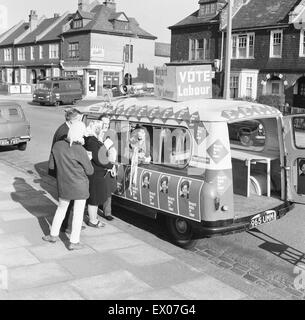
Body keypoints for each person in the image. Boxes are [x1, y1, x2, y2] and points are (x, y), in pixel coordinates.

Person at [43, 122, 94, 250]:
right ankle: (74, 242)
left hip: (64, 184)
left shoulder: (57, 145)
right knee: (78, 214)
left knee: (61, 209)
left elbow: (51, 166)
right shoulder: (80, 150)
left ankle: (53, 235)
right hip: (80, 186)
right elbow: (90, 171)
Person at [48, 108, 83, 233]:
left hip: (63, 171)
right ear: (73, 120)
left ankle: (61, 228)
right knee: (68, 203)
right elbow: (62, 153)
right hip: (66, 172)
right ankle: (67, 226)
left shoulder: (66, 129)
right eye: (79, 119)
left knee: (65, 203)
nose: (81, 122)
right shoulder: (65, 132)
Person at [84, 115, 117, 223]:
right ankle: (92, 217)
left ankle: (105, 213)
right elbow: (98, 156)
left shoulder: (108, 135)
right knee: (95, 195)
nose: (105, 127)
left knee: (106, 191)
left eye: (107, 124)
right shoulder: (93, 138)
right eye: (104, 124)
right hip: (97, 169)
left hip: (104, 168)